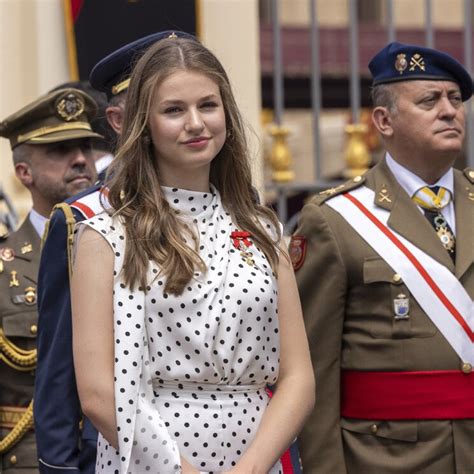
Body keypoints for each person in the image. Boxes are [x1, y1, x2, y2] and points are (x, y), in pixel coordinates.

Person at [71, 35, 315, 473]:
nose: (196, 123)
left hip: (256, 452)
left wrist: (252, 468)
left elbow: (298, 378)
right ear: (142, 124)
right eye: (173, 110)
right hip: (151, 454)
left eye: (208, 105)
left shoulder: (263, 229)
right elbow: (99, 394)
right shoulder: (104, 235)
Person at [294, 41, 474, 473]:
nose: (449, 111)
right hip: (391, 457)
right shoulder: (336, 219)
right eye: (430, 100)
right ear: (384, 120)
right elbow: (315, 369)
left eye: (455, 99)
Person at [34, 30, 193, 474]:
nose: (187, 122)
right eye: (168, 108)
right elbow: (58, 376)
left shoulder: (241, 211)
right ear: (121, 119)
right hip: (119, 445)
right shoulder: (83, 220)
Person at [0, 88, 101, 472]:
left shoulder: (130, 247)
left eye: (85, 148)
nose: (80, 160)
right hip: (28, 457)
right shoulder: (4, 269)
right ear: (24, 173)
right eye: (60, 151)